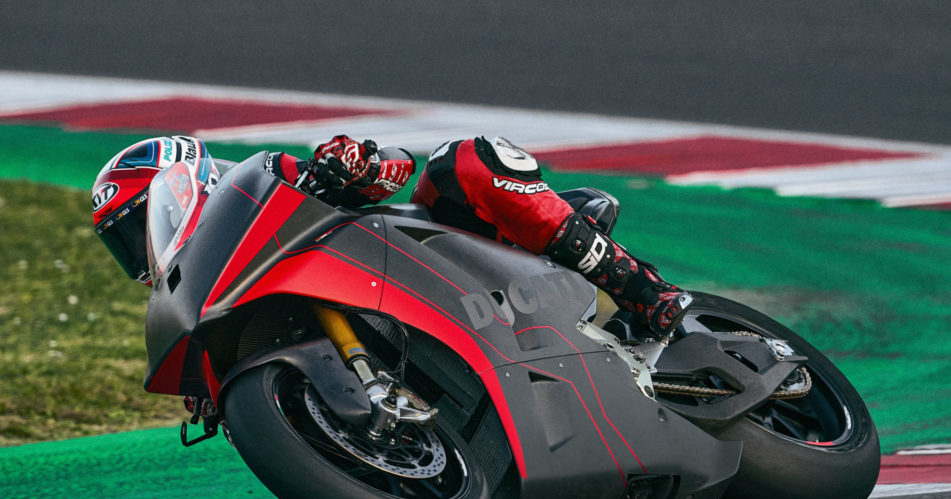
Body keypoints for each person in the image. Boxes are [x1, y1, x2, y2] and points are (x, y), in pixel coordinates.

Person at [93, 134, 689, 336]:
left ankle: (642, 288)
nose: (139, 252)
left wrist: (355, 164)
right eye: (125, 245)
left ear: (181, 188)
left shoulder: (268, 184)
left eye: (139, 227)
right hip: (435, 329)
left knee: (459, 161)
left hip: (458, 262)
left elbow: (397, 167)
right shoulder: (201, 298)